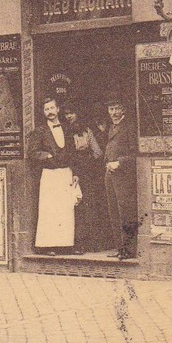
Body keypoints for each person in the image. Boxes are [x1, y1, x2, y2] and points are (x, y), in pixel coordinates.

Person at [27, 95, 79, 254]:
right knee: (50, 209)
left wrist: (76, 173)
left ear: (57, 109)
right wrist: (46, 156)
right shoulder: (39, 131)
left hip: (65, 173)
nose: (50, 112)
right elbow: (32, 153)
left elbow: (73, 152)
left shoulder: (67, 128)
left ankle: (66, 245)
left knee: (66, 209)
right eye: (46, 109)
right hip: (49, 174)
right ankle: (48, 246)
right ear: (43, 112)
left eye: (52, 108)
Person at [62, 103, 102, 253]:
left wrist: (88, 159)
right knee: (74, 206)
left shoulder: (87, 131)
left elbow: (97, 151)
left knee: (88, 205)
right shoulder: (64, 131)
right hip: (70, 171)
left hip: (87, 172)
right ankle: (75, 243)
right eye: (66, 113)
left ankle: (90, 242)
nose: (69, 116)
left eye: (71, 112)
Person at [103, 98, 138, 260]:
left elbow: (135, 153)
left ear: (123, 109)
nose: (114, 113)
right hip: (110, 175)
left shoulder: (129, 127)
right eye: (111, 109)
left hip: (123, 176)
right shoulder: (112, 127)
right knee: (114, 212)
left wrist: (120, 163)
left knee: (126, 212)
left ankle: (129, 250)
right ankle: (120, 248)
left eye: (117, 108)